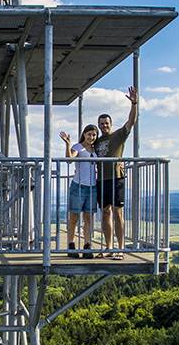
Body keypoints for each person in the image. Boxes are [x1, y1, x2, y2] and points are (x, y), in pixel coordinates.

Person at [94, 86, 139, 259]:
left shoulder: (119, 135)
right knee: (105, 212)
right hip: (102, 180)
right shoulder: (97, 141)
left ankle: (120, 248)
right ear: (99, 126)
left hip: (116, 177)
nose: (104, 126)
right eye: (102, 124)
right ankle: (108, 247)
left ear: (110, 124)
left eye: (107, 123)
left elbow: (131, 121)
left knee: (118, 212)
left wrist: (134, 103)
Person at [59, 124, 99, 258]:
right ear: (84, 134)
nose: (91, 137)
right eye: (89, 134)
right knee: (74, 217)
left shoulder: (96, 148)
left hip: (93, 187)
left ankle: (87, 245)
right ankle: (71, 244)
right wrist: (68, 144)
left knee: (88, 217)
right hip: (79, 186)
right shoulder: (78, 147)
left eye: (94, 135)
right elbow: (70, 159)